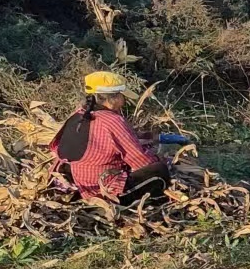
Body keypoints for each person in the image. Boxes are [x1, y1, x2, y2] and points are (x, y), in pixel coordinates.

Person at [50, 72, 170, 204]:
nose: (124, 101)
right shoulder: (113, 121)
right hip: (98, 188)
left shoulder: (78, 113)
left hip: (70, 179)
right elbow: (140, 161)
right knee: (159, 170)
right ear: (113, 98)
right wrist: (161, 159)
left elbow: (57, 146)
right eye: (122, 96)